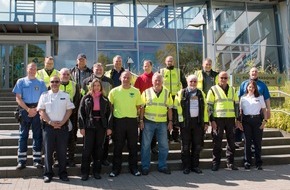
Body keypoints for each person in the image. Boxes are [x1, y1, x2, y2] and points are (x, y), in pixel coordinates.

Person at [37, 75, 75, 183]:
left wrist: (63, 122)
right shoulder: (44, 95)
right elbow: (41, 111)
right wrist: (50, 122)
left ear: (60, 83)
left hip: (62, 128)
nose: (54, 83)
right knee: (48, 152)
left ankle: (63, 173)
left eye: (57, 81)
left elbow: (69, 110)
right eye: (52, 81)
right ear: (49, 83)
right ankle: (48, 174)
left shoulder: (65, 95)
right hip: (49, 128)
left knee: (62, 152)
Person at [12, 62, 47, 170]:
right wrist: (28, 109)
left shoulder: (41, 83)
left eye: (34, 69)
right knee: (23, 136)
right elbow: (18, 98)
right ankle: (21, 161)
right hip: (25, 110)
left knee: (37, 136)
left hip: (37, 110)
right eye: (31, 68)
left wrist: (36, 110)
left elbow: (44, 98)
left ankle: (37, 160)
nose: (32, 70)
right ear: (27, 69)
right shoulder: (21, 81)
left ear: (36, 70)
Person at [108, 71, 143, 177]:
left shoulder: (136, 91)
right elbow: (110, 106)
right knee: (118, 146)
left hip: (132, 121)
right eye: (124, 77)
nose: (126, 79)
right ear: (120, 78)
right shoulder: (114, 91)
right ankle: (115, 169)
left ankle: (134, 168)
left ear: (131, 79)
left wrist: (139, 119)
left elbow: (139, 106)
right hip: (119, 122)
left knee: (133, 146)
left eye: (128, 77)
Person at [174, 74, 209, 174]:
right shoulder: (181, 93)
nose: (193, 83)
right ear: (187, 82)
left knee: (197, 145)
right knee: (185, 146)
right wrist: (178, 123)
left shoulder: (201, 93)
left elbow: (205, 109)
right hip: (185, 123)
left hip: (198, 123)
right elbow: (176, 108)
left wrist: (206, 122)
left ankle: (195, 166)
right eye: (191, 81)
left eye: (195, 81)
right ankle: (186, 166)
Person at [139, 73, 173, 176]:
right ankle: (145, 166)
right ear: (152, 81)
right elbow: (142, 108)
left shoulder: (167, 93)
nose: (157, 82)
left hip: (162, 122)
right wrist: (141, 120)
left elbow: (170, 108)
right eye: (155, 80)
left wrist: (170, 121)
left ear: (162, 81)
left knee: (164, 146)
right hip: (148, 121)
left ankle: (162, 166)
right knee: (145, 145)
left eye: (159, 80)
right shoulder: (146, 92)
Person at [78, 78, 112, 180]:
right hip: (89, 126)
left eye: (98, 85)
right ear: (91, 87)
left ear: (101, 87)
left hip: (101, 126)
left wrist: (109, 127)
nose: (96, 87)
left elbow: (109, 114)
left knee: (98, 150)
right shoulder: (85, 98)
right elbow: (81, 113)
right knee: (87, 150)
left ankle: (96, 172)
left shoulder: (105, 99)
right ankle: (85, 173)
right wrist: (82, 127)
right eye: (94, 85)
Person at [206, 71, 240, 171]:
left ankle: (230, 163)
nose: (223, 80)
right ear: (218, 79)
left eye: (225, 78)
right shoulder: (212, 90)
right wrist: (211, 120)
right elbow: (209, 107)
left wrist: (238, 119)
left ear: (228, 79)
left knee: (231, 142)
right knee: (217, 142)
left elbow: (237, 105)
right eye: (222, 78)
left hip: (230, 119)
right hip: (218, 119)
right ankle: (215, 163)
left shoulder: (233, 90)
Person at [81, 62, 113, 167]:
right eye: (96, 69)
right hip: (90, 119)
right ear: (93, 70)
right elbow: (83, 100)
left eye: (100, 69)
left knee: (103, 143)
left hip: (103, 116)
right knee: (89, 145)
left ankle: (103, 159)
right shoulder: (85, 81)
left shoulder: (109, 81)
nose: (99, 71)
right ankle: (89, 163)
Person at [236, 67, 271, 145]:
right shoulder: (244, 84)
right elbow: (239, 98)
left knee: (257, 135)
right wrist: (238, 112)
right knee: (245, 134)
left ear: (257, 73)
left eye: (256, 71)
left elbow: (267, 98)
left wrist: (268, 110)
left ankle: (254, 149)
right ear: (249, 73)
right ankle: (241, 144)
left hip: (258, 113)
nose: (254, 73)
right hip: (246, 114)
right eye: (252, 71)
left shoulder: (262, 85)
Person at [240, 80, 267, 170]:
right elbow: (240, 111)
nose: (251, 89)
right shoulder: (243, 98)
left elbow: (264, 110)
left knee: (257, 142)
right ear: (247, 88)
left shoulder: (260, 97)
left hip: (257, 120)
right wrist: (239, 122)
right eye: (250, 87)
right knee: (247, 142)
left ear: (255, 88)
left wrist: (265, 121)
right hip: (246, 121)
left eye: (253, 87)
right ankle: (247, 162)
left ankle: (258, 163)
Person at [159, 55, 187, 142]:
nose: (169, 62)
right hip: (165, 96)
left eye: (171, 61)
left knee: (176, 116)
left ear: (173, 62)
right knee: (165, 117)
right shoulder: (161, 71)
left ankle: (175, 136)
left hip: (176, 97)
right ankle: (167, 136)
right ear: (165, 62)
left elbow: (185, 84)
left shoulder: (179, 71)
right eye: (168, 61)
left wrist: (183, 94)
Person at [134, 60, 157, 154]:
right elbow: (136, 93)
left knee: (154, 128)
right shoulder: (139, 78)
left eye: (148, 66)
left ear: (151, 66)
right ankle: (142, 147)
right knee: (143, 127)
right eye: (144, 66)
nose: (146, 68)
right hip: (143, 107)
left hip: (155, 107)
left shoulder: (155, 78)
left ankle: (153, 146)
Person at [59, 68, 81, 167]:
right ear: (60, 75)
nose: (66, 76)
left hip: (72, 116)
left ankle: (71, 159)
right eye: (64, 74)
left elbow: (77, 100)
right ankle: (57, 160)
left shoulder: (75, 85)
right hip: (58, 116)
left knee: (71, 139)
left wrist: (71, 112)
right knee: (58, 139)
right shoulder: (55, 84)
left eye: (67, 74)